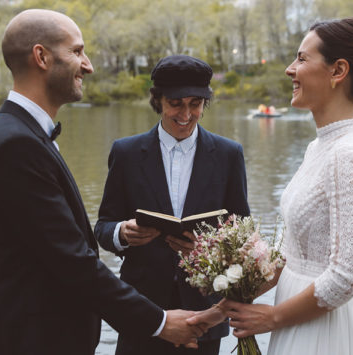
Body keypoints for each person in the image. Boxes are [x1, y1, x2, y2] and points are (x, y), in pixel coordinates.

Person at [0, 9, 205, 355]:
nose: (88, 65)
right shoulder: (16, 145)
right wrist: (159, 322)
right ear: (41, 57)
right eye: (77, 51)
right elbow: (72, 262)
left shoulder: (22, 135)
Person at [192, 17, 353, 354]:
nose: (290, 69)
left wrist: (272, 317)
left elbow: (349, 275)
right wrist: (219, 312)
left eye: (302, 59)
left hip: (327, 330)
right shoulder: (320, 147)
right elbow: (293, 254)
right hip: (296, 316)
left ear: (337, 71)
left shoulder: (350, 154)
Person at [94, 54, 251, 355]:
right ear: (158, 100)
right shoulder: (125, 153)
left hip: (204, 313)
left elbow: (242, 232)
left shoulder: (229, 154)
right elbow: (103, 227)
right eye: (176, 103)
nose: (186, 113)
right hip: (141, 311)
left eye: (196, 103)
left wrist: (210, 250)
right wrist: (123, 233)